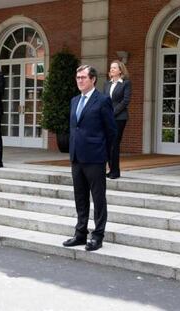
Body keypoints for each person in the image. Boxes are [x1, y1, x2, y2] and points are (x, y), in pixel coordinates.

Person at [63, 65, 117, 251]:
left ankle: (98, 235)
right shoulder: (74, 100)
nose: (79, 80)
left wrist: (110, 160)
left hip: (95, 157)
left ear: (93, 79)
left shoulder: (102, 101)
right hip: (77, 156)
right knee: (80, 197)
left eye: (83, 77)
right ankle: (80, 233)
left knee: (98, 197)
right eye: (77, 77)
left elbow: (111, 131)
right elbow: (74, 128)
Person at [103, 60, 132, 179]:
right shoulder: (107, 84)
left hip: (119, 118)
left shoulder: (126, 83)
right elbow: (104, 100)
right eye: (111, 68)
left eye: (114, 68)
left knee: (114, 144)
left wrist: (112, 113)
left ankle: (115, 171)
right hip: (108, 117)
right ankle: (111, 170)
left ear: (120, 70)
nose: (112, 70)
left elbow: (125, 101)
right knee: (108, 144)